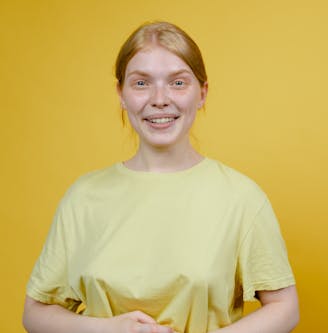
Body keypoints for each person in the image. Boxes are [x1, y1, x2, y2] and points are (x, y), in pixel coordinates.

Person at [22, 21, 299, 333]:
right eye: (141, 83)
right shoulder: (83, 196)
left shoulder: (241, 197)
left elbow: (285, 307)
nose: (159, 98)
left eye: (178, 83)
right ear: (121, 95)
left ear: (202, 93)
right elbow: (35, 313)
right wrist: (112, 330)